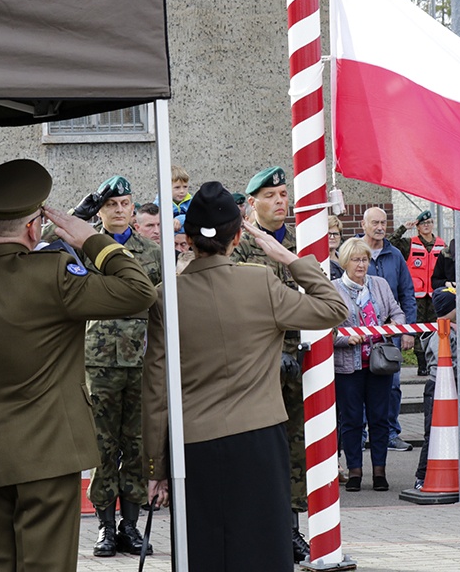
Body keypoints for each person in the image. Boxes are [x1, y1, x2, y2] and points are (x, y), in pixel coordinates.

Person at [0, 159, 157, 572]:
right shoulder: (55, 273)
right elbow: (138, 291)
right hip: (50, 453)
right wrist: (92, 241)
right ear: (34, 228)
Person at [143, 181, 348, 571]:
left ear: (187, 239)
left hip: (193, 442)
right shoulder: (260, 282)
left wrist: (155, 467)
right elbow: (333, 307)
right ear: (237, 237)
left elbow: (155, 388)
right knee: (261, 550)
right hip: (258, 439)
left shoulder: (166, 296)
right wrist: (288, 257)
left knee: (201, 552)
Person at [230, 165, 310, 561]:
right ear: (252, 203)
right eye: (271, 196)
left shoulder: (301, 241)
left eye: (284, 194)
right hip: (260, 367)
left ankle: (291, 529)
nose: (281, 202)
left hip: (300, 365)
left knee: (296, 448)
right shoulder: (242, 245)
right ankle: (261, 526)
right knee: (260, 449)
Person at [81, 175, 162, 558]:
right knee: (101, 446)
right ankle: (104, 526)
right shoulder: (83, 248)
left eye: (124, 203)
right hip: (98, 363)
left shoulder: (150, 251)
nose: (118, 210)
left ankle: (130, 526)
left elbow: (162, 307)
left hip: (142, 360)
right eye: (111, 204)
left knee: (134, 444)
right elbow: (45, 247)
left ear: (133, 208)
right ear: (99, 210)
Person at [332, 238, 406, 492]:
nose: (361, 264)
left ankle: (379, 472)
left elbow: (397, 312)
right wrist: (345, 338)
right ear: (345, 262)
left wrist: (392, 328)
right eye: (356, 259)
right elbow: (325, 330)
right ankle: (354, 472)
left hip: (379, 364)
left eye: (364, 259)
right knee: (351, 420)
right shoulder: (333, 289)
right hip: (347, 367)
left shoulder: (380, 285)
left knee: (379, 419)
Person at [360, 207, 416, 449]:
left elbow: (407, 294)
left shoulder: (395, 255)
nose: (380, 227)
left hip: (390, 335)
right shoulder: (353, 253)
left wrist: (407, 331)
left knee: (392, 386)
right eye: (375, 223)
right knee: (359, 386)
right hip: (359, 335)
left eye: (383, 222)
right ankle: (360, 436)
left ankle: (391, 434)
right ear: (364, 225)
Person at [390, 209, 445, 377]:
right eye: (423, 224)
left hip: (437, 294)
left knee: (436, 328)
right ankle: (422, 365)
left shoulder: (442, 244)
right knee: (418, 328)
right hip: (417, 295)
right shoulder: (409, 243)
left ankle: (434, 361)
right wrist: (403, 228)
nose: (427, 226)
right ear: (418, 227)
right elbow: (391, 243)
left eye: (429, 223)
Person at [414, 286, 458, 490]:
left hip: (453, 388)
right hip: (438, 388)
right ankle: (422, 476)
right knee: (432, 434)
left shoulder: (453, 329)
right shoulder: (441, 334)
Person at [328, 214, 344, 280]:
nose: (332, 237)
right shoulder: (314, 261)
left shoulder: (345, 260)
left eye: (335, 234)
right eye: (328, 234)